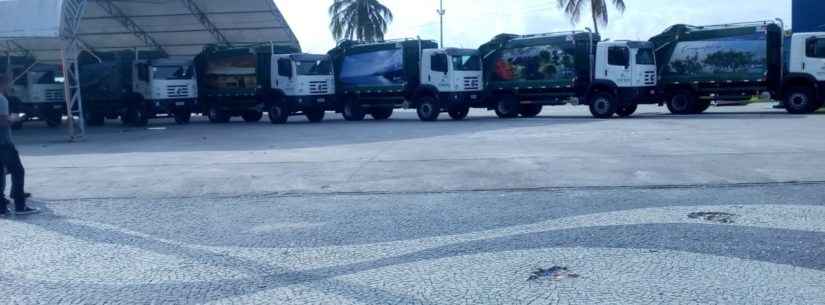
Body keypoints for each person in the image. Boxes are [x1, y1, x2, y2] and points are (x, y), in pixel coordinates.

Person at [0, 75, 37, 216]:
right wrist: (15, 118)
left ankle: (1, 207)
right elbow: (2, 122)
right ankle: (20, 204)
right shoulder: (1, 99)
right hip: (4, 142)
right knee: (18, 171)